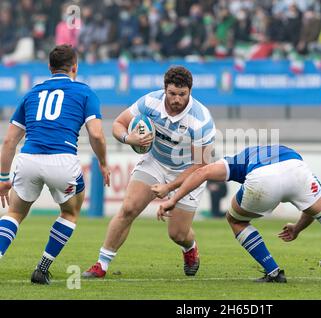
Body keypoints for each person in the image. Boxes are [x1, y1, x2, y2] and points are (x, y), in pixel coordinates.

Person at [157, 145, 321, 285]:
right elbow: (310, 207)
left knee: (235, 219)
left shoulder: (238, 159)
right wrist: (297, 228)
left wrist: (172, 199)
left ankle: (273, 271)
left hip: (262, 179)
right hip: (299, 172)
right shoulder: (285, 152)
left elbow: (204, 172)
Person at [82, 66, 216, 278]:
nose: (177, 100)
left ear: (190, 91)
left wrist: (169, 188)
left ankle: (190, 248)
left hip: (189, 171)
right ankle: (101, 264)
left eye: (182, 94)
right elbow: (118, 123)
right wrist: (128, 138)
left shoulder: (202, 120)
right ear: (164, 90)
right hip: (155, 161)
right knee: (128, 208)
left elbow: (201, 165)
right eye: (172, 94)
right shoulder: (150, 102)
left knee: (177, 234)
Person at [0, 44, 110, 285]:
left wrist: (3, 179)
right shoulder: (85, 92)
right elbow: (98, 135)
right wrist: (103, 162)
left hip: (28, 158)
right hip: (62, 159)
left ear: (49, 67)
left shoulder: (31, 93)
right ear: (75, 68)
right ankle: (42, 268)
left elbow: (9, 140)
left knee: (15, 213)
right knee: (70, 212)